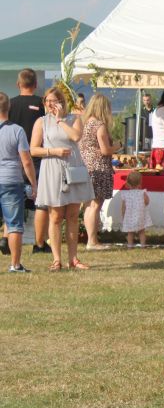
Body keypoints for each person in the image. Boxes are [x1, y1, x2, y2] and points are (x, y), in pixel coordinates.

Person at [29, 87, 95, 271]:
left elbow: (76, 136)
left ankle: (73, 259)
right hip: (53, 169)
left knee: (73, 216)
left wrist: (60, 120)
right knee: (56, 216)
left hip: (72, 169)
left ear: (62, 102)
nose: (50, 104)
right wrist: (53, 151)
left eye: (54, 101)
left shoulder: (74, 119)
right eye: (47, 101)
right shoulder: (41, 122)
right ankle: (56, 260)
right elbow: (33, 149)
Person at [8, 68, 49, 254]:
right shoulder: (41, 104)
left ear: (18, 84)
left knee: (12, 199)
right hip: (36, 157)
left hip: (13, 158)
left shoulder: (10, 104)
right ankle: (39, 244)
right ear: (36, 84)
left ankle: (6, 237)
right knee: (40, 201)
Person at [0, 92, 38, 272]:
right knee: (14, 224)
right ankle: (15, 264)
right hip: (11, 180)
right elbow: (27, 161)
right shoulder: (17, 130)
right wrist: (33, 183)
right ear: (9, 107)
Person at [80, 94, 122, 250]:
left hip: (86, 167)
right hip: (99, 168)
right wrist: (117, 146)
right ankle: (92, 241)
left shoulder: (84, 123)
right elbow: (105, 150)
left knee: (88, 205)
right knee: (96, 205)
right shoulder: (99, 125)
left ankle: (91, 239)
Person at [119, 170, 152, 247]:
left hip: (129, 217)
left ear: (128, 182)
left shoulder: (125, 194)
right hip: (140, 216)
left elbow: (123, 207)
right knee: (141, 231)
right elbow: (147, 202)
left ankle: (130, 245)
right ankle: (143, 245)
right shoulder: (142, 193)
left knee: (130, 232)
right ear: (140, 182)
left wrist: (123, 215)